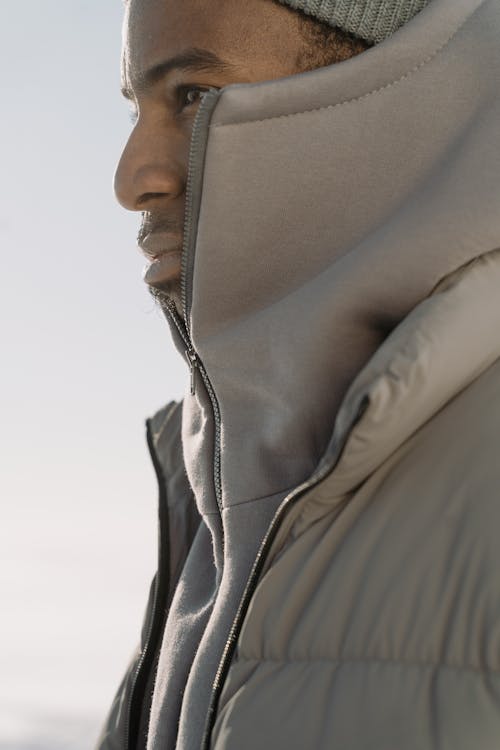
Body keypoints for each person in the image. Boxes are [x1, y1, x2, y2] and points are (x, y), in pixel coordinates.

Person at [97, 0, 500, 748]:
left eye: (192, 97)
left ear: (397, 83)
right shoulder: (206, 494)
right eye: (136, 109)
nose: (133, 179)